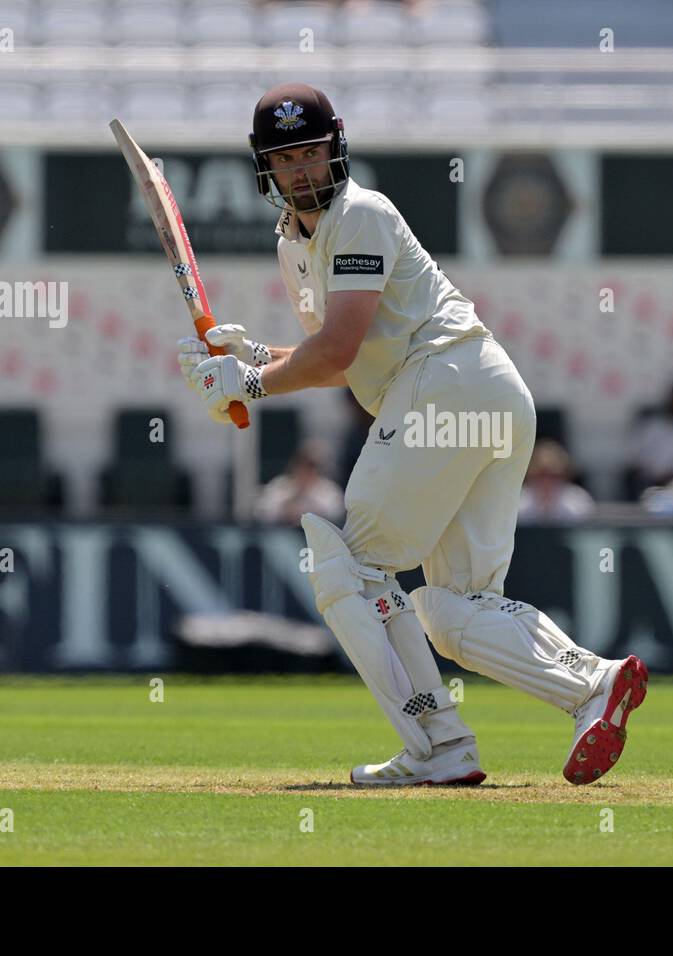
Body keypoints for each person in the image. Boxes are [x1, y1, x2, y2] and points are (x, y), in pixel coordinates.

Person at [176, 83, 646, 786]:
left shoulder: (360, 214)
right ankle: (593, 686)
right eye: (286, 158)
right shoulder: (292, 245)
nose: (301, 169)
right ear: (264, 168)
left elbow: (335, 353)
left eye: (311, 151)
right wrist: (250, 363)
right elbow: (346, 358)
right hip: (477, 394)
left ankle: (437, 747)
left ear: (335, 148)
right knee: (453, 612)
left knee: (352, 567)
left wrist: (250, 385)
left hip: (448, 384)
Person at [253, 440, 344, 526]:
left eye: (312, 466)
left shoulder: (328, 489)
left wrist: (308, 501)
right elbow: (262, 512)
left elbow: (337, 513)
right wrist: (288, 504)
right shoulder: (281, 484)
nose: (307, 470)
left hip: (319, 537)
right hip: (285, 534)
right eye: (303, 464)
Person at [518, 439, 595, 524]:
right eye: (541, 474)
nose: (547, 480)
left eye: (553, 475)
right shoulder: (519, 500)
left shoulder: (578, 500)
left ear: (563, 474)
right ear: (531, 474)